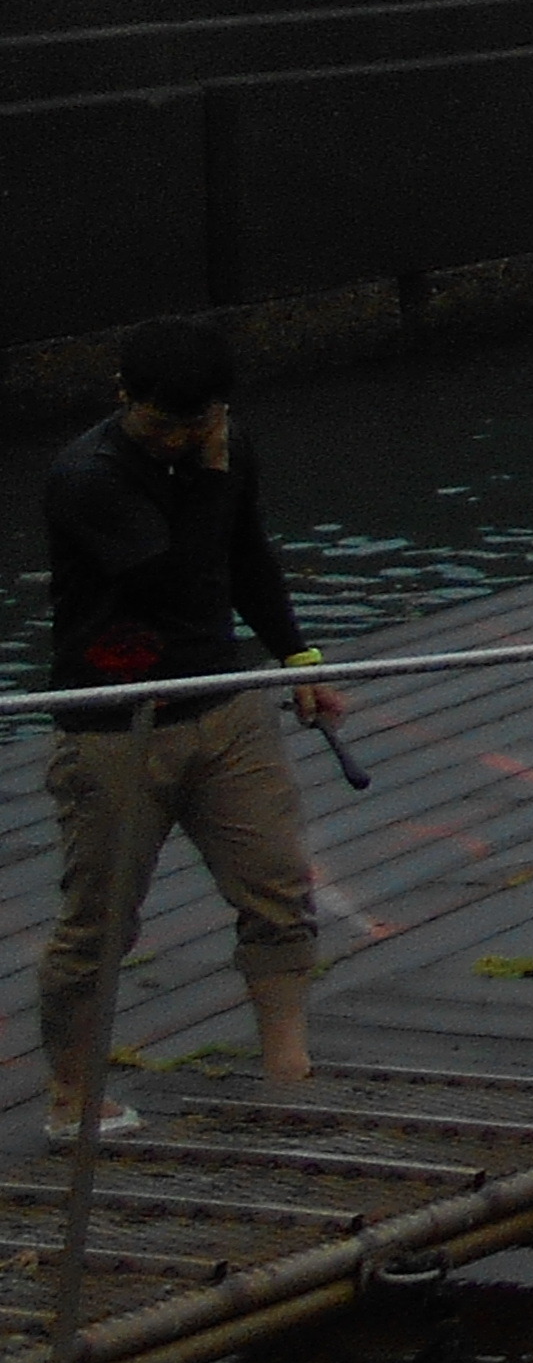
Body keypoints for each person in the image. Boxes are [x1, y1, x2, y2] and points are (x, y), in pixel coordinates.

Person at [40, 319, 345, 1144]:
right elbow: (173, 581)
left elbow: (245, 556)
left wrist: (296, 654)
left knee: (277, 885)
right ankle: (75, 1098)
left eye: (197, 419)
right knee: (100, 922)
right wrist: (207, 470)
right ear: (124, 399)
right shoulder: (87, 475)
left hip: (224, 703)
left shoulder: (223, 444)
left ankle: (290, 1069)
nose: (178, 436)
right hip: (116, 722)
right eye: (161, 422)